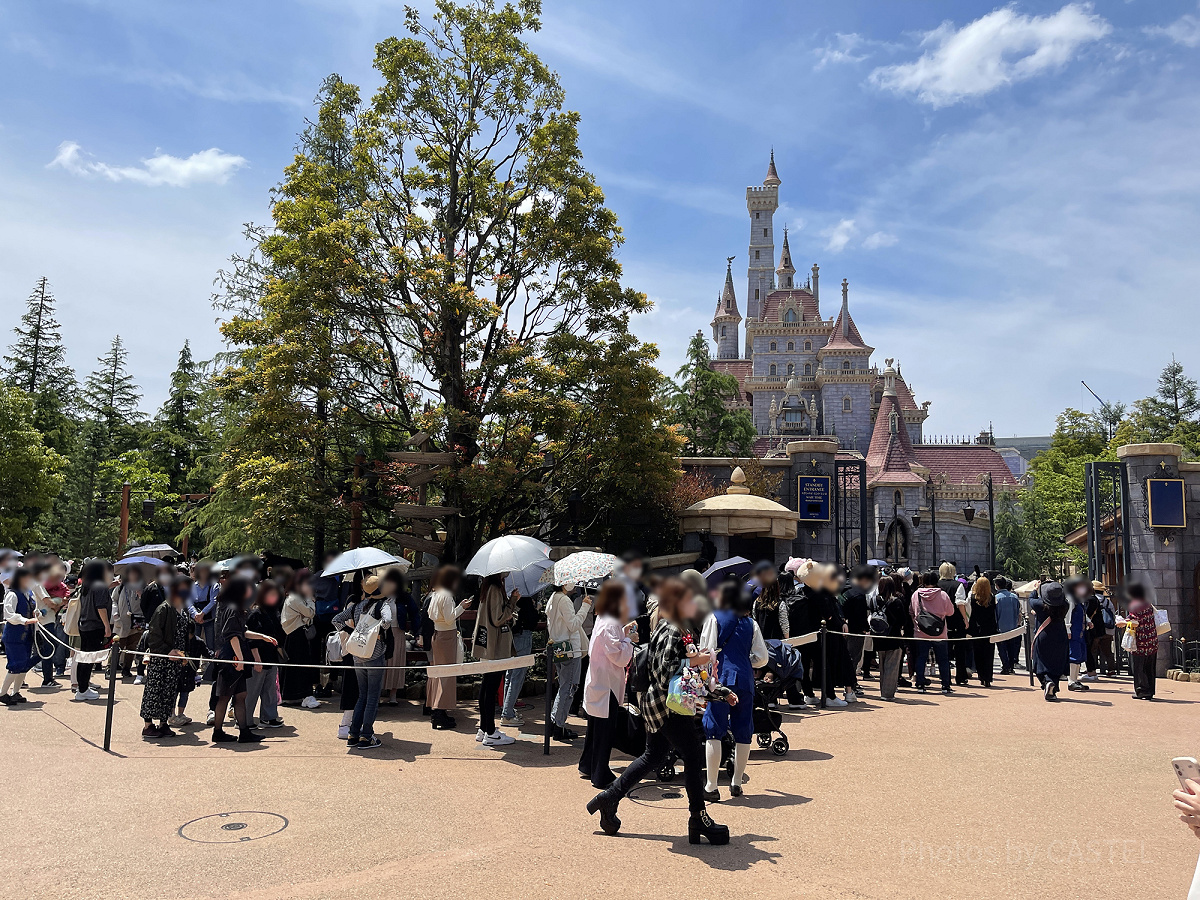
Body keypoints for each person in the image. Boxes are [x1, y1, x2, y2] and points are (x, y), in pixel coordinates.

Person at [587, 577, 736, 845]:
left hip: (662, 706)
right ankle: (698, 817)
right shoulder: (673, 629)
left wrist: (717, 690)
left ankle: (609, 798)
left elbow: (680, 669)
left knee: (652, 756)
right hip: (668, 707)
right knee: (691, 756)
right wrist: (694, 662)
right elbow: (667, 671)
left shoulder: (676, 627)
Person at [701, 581, 768, 800]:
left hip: (720, 679)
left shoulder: (714, 617)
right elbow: (762, 658)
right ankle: (737, 782)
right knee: (743, 731)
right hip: (745, 679)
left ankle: (711, 785)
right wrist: (746, 662)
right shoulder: (751, 623)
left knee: (714, 729)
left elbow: (706, 650)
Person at [578, 581, 637, 788]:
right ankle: (599, 773)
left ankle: (587, 765)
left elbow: (611, 645)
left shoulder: (605, 618)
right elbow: (619, 656)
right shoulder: (611, 621)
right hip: (607, 684)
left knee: (595, 728)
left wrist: (625, 634)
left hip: (599, 681)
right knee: (604, 731)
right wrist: (629, 640)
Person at [332, 575, 394, 749]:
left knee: (362, 696)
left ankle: (353, 733)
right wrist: (379, 630)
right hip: (375, 654)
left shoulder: (357, 606)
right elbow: (388, 621)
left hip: (358, 655)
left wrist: (350, 632)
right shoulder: (383, 605)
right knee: (373, 697)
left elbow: (336, 619)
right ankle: (366, 735)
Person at [211, 577, 276, 743]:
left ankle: (244, 731)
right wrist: (239, 659)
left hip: (236, 655)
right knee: (225, 696)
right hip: (232, 656)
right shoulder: (233, 609)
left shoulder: (238, 609)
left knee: (240, 696)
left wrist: (262, 637)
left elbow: (242, 632)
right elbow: (232, 635)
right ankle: (218, 732)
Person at [469, 573, 519, 748]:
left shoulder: (487, 588)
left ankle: (484, 728)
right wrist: (512, 602)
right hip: (496, 646)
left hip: (488, 644)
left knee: (486, 686)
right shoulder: (496, 589)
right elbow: (498, 618)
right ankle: (490, 731)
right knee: (490, 687)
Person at [140, 578, 190, 738]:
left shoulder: (183, 609)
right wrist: (168, 651)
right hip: (161, 658)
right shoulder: (163, 609)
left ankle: (163, 723)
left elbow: (185, 635)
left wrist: (183, 654)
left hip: (175, 660)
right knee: (154, 691)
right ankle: (148, 725)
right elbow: (153, 635)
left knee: (169, 692)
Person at [545, 580, 591, 742]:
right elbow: (573, 624)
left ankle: (555, 721)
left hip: (558, 647)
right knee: (569, 687)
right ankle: (559, 724)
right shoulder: (564, 600)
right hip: (571, 649)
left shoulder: (553, 598)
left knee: (564, 686)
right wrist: (585, 606)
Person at [426, 565, 470, 730]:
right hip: (447, 636)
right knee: (447, 674)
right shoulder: (446, 596)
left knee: (439, 673)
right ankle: (440, 712)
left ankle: (437, 709)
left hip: (438, 635)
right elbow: (451, 618)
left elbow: (432, 616)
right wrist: (462, 607)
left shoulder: (435, 594)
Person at [245, 580, 287, 728]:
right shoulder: (255, 613)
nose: (274, 597)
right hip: (257, 656)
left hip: (271, 656)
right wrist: (256, 659)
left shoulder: (274, 612)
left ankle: (269, 717)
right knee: (252, 690)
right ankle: (245, 719)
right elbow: (250, 639)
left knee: (270, 689)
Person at [280, 570, 320, 709]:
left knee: (298, 666)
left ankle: (293, 695)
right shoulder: (295, 598)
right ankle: (302, 695)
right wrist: (310, 599)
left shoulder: (295, 597)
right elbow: (310, 613)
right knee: (300, 665)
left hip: (296, 634)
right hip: (296, 635)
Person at [500, 587, 540, 727]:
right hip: (523, 636)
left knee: (510, 675)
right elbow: (532, 619)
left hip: (512, 636)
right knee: (517, 676)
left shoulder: (511, 596)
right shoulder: (525, 597)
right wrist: (536, 609)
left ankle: (507, 709)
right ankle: (507, 713)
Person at [74, 560, 112, 701]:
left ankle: (81, 687)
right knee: (89, 658)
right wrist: (107, 626)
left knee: (84, 658)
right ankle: (83, 690)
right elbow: (100, 607)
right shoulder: (99, 585)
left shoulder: (86, 585)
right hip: (95, 626)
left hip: (84, 624)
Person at [381, 570, 421, 706]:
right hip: (381, 633)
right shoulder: (379, 596)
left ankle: (393, 694)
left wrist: (417, 633)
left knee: (396, 662)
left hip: (398, 633)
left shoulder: (404, 597)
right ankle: (378, 694)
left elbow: (415, 613)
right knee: (381, 662)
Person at [912, 570, 954, 695]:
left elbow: (912, 612)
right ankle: (945, 685)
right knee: (943, 659)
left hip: (921, 631)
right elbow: (950, 612)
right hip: (939, 632)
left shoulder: (916, 594)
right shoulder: (943, 595)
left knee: (921, 658)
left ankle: (920, 683)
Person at [1, 568, 40, 705]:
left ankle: (15, 692)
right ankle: (2, 693)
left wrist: (36, 613)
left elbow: (32, 608)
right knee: (16, 665)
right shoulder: (12, 594)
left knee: (23, 665)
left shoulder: (28, 593)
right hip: (14, 636)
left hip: (26, 634)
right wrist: (25, 620)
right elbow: (9, 614)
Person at [1029, 581, 1069, 702]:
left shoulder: (1039, 605)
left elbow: (1031, 599)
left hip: (1044, 635)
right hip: (1060, 636)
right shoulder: (1065, 605)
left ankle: (1047, 681)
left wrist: (1036, 589)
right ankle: (1053, 689)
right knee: (1057, 663)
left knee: (1040, 661)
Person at [872, 574, 910, 701]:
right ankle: (887, 693)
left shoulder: (875, 600)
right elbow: (903, 620)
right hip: (893, 636)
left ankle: (883, 690)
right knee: (892, 666)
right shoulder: (897, 601)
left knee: (882, 666)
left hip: (878, 636)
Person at [839, 565, 875, 698]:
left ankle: (848, 683)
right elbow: (860, 617)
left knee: (847, 658)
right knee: (854, 659)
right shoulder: (858, 595)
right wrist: (866, 628)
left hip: (842, 629)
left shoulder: (844, 591)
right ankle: (851, 685)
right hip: (855, 631)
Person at [1118, 583, 1158, 700]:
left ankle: (1141, 691)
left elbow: (1135, 621)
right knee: (1150, 666)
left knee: (1139, 667)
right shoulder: (1148, 603)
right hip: (1152, 640)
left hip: (1141, 641)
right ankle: (1150, 690)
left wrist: (1123, 622)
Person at [185, 562, 219, 681]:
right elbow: (188, 602)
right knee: (194, 643)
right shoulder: (192, 586)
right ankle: (193, 670)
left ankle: (210, 670)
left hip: (209, 618)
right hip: (196, 619)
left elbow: (213, 601)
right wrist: (195, 615)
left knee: (210, 644)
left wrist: (202, 613)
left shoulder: (214, 585)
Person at [938, 563, 971, 686]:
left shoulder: (937, 585)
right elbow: (960, 603)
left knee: (943, 651)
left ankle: (945, 677)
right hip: (956, 620)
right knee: (960, 650)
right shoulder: (958, 585)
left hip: (941, 620)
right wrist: (965, 619)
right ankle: (960, 677)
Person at [110, 568, 144, 679]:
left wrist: (141, 595)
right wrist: (115, 614)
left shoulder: (143, 586)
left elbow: (147, 602)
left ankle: (126, 669)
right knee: (118, 645)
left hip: (137, 621)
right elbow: (113, 600)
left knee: (132, 646)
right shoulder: (120, 587)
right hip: (121, 620)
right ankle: (110, 669)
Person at [967, 576, 998, 687]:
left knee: (978, 653)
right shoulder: (992, 597)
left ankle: (981, 676)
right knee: (989, 654)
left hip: (976, 629)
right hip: (989, 629)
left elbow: (970, 614)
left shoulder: (972, 598)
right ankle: (988, 677)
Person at [1064, 576, 1091, 692]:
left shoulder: (1079, 599)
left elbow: (1083, 613)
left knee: (1079, 655)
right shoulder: (1070, 599)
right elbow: (1067, 616)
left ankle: (1075, 679)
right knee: (1073, 654)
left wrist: (1088, 621)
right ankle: (1071, 680)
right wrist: (1068, 629)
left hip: (1080, 631)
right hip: (1073, 631)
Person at [1086, 581, 1117, 678]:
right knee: (1107, 651)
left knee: (1092, 650)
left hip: (1096, 629)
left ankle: (1092, 669)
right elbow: (1113, 614)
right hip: (1108, 629)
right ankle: (1111, 669)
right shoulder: (1108, 601)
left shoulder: (1091, 599)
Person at [994, 577, 1022, 675]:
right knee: (1011, 648)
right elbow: (1018, 611)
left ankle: (1005, 666)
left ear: (997, 586)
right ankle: (1011, 666)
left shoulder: (996, 598)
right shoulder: (1014, 597)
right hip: (1012, 627)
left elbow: (995, 614)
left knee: (1002, 649)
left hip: (1000, 627)